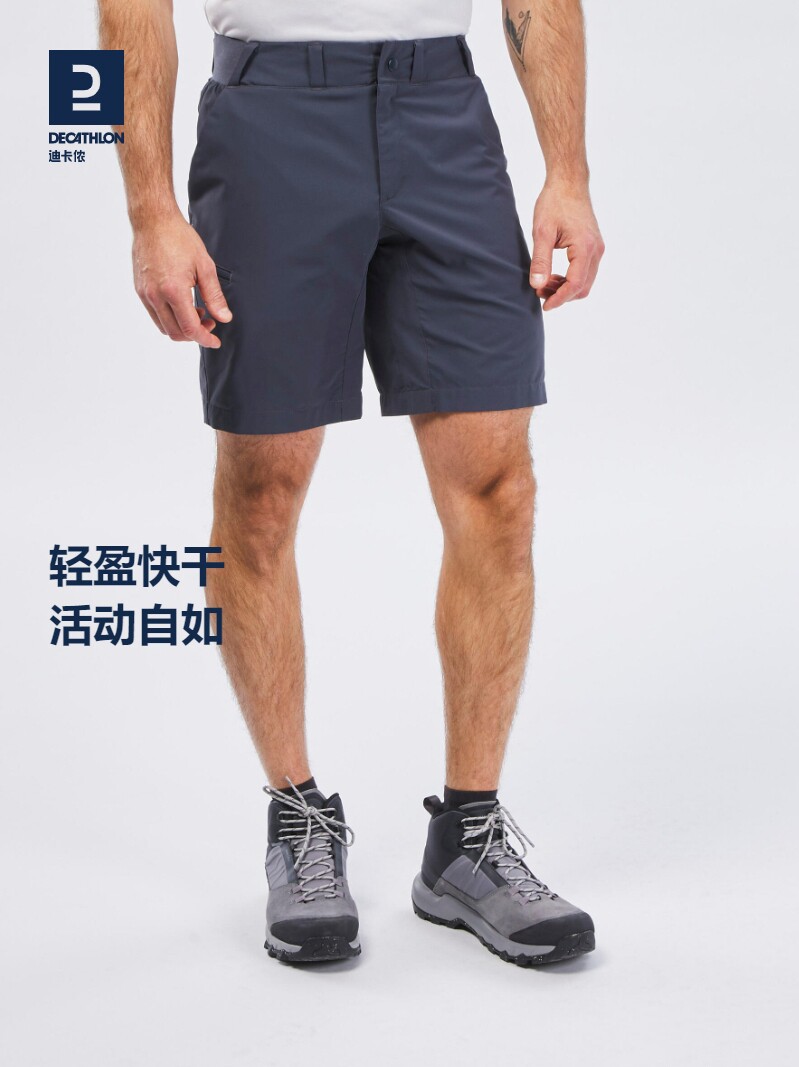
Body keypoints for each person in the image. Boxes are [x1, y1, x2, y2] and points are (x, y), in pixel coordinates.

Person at [99, 0, 604, 966]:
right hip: (267, 122)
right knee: (259, 492)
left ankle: (468, 838)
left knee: (499, 490)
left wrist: (569, 173)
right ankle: (296, 816)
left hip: (443, 110)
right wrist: (147, 211)